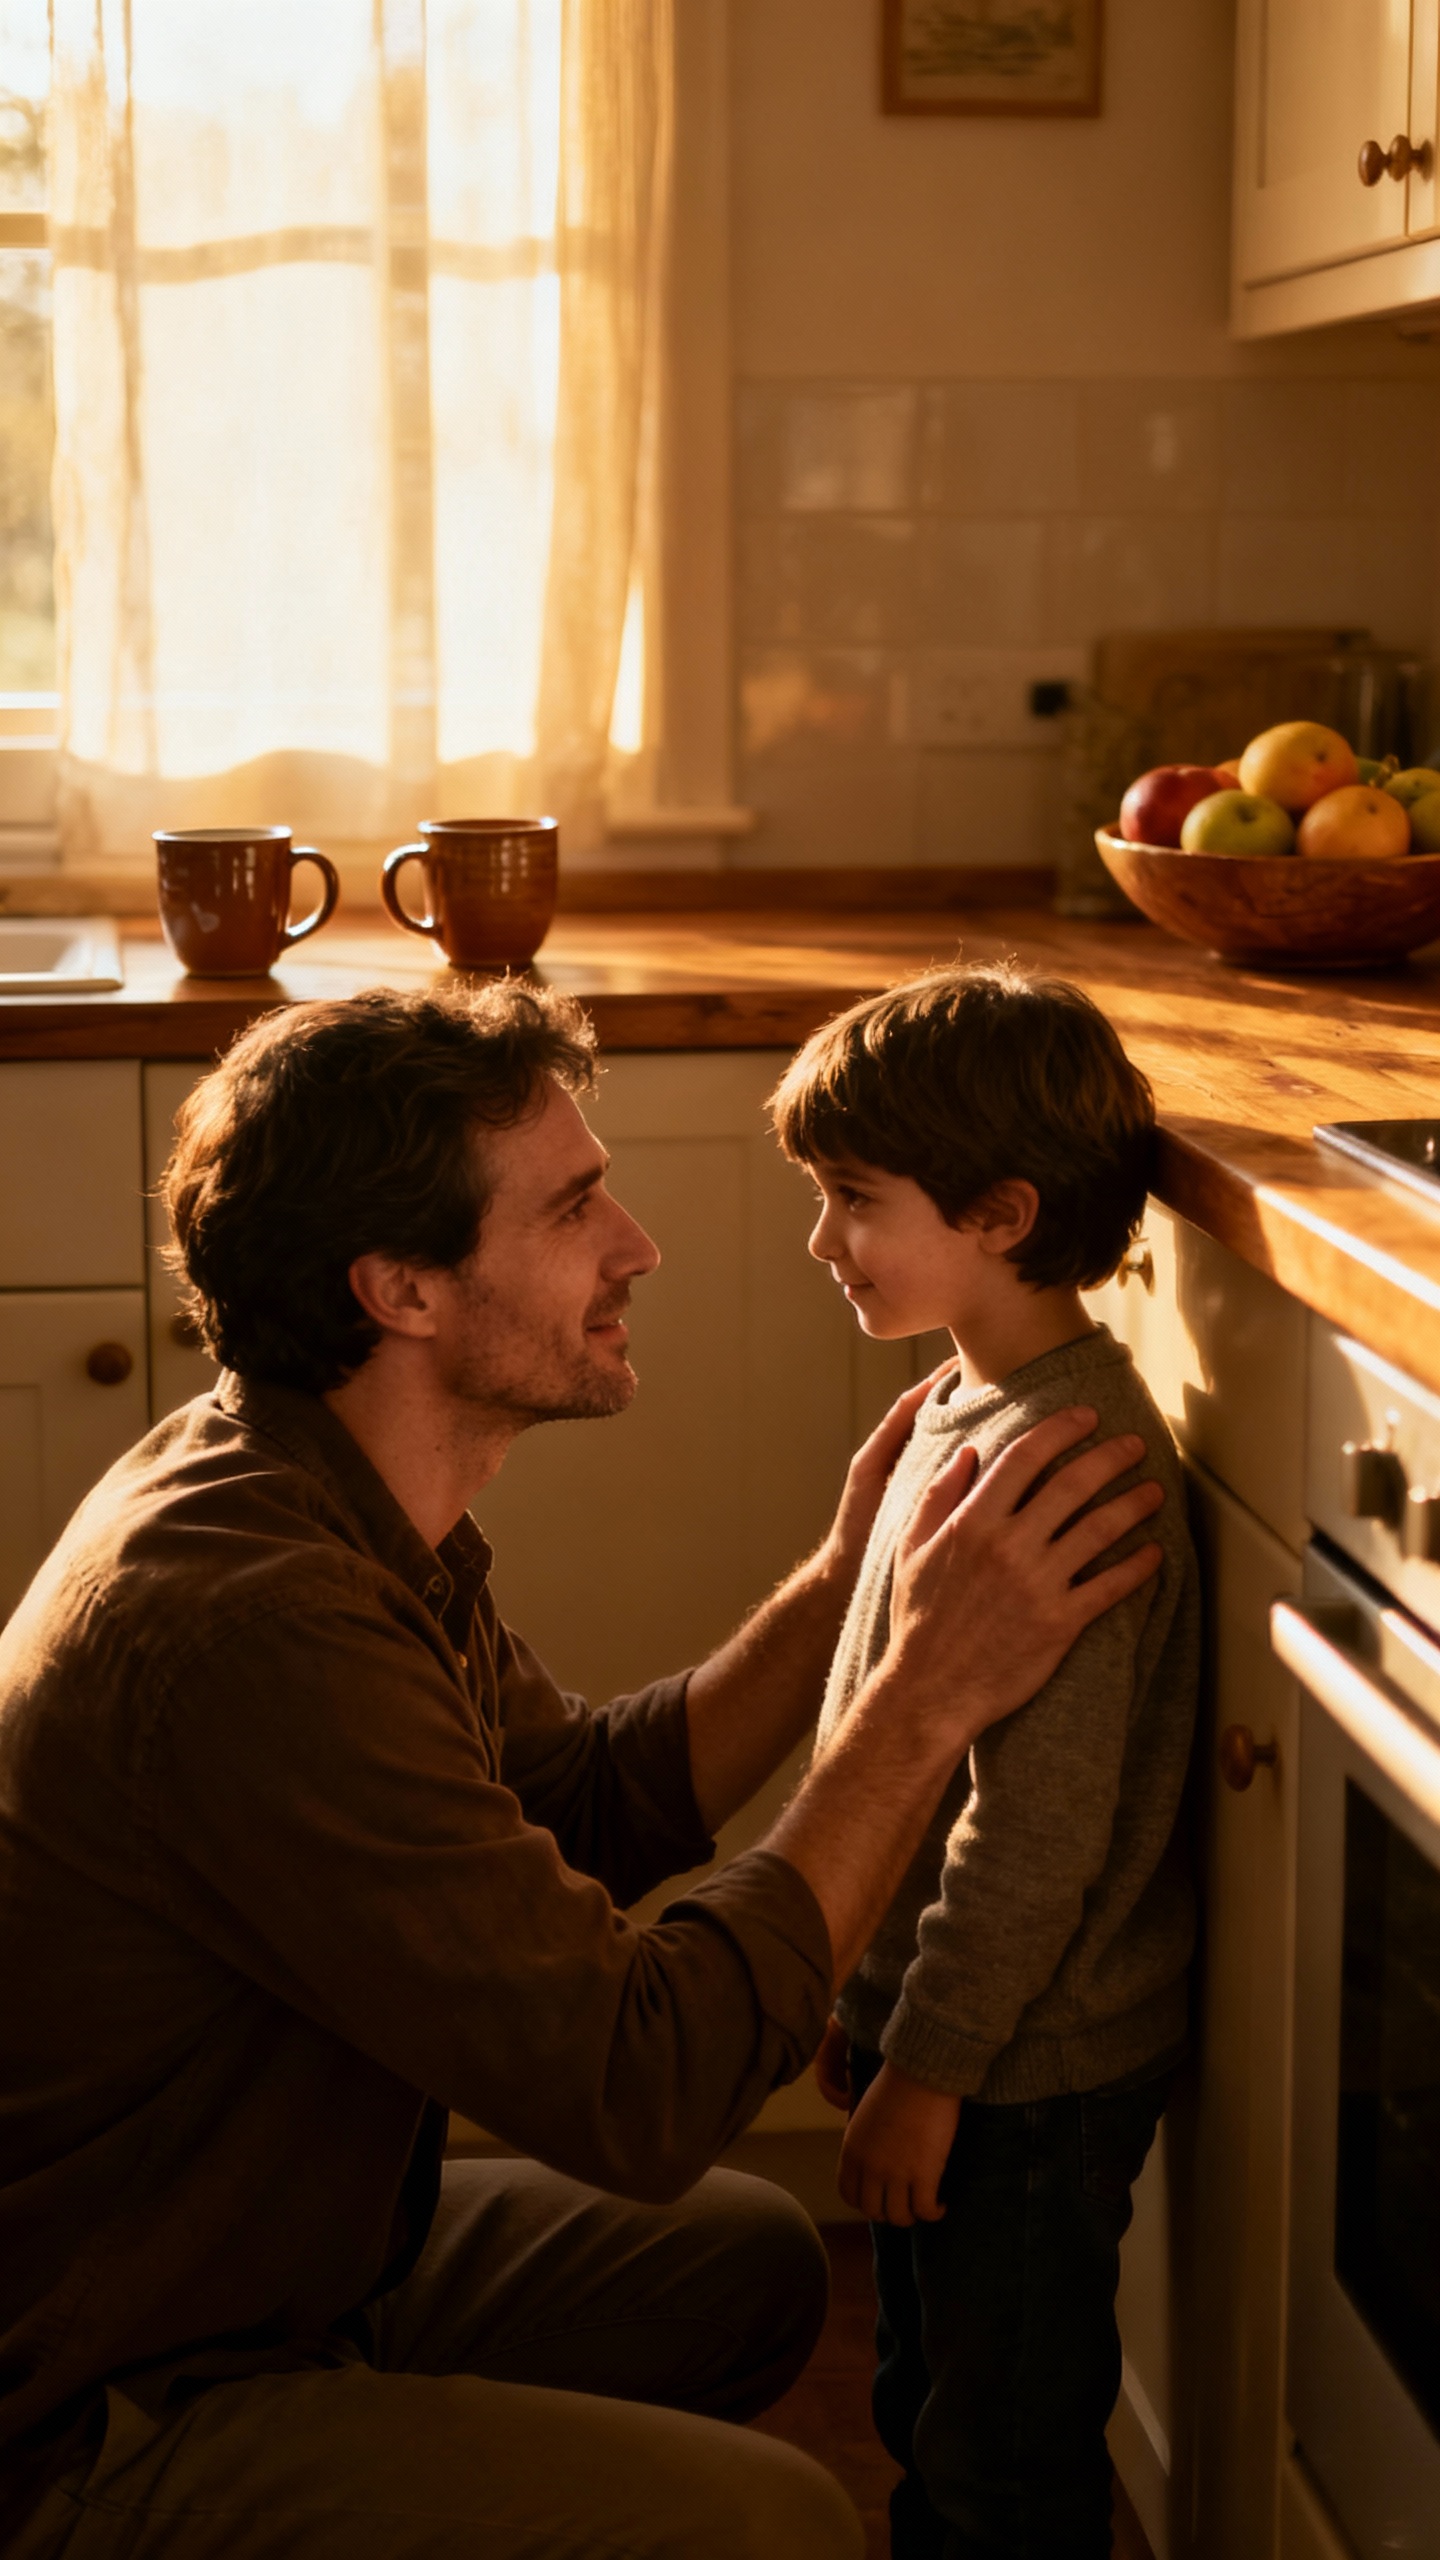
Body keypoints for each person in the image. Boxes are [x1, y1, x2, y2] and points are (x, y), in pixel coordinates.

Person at [0, 979, 1168, 2560]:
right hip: (88, 2403)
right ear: (403, 1288)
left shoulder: (297, 1484)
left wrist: (843, 1590)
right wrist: (917, 1704)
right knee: (775, 2528)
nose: (639, 1245)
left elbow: (578, 1802)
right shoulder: (253, 1630)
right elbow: (639, 2086)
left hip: (267, 2260)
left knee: (745, 2267)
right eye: (572, 1208)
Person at [770, 963, 1200, 2560]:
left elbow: (1034, 1831)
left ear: (1004, 1214)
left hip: (1028, 2077)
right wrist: (866, 2002)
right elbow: (900, 1727)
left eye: (855, 1200)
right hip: (959, 2039)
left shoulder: (1065, 1474)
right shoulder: (968, 1401)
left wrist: (932, 2068)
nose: (824, 1240)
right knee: (925, 2403)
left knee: (999, 2461)